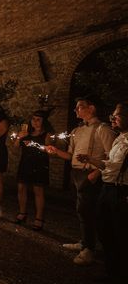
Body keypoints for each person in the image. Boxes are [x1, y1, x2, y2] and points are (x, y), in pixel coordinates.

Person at [45, 95, 116, 265]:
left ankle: (90, 250)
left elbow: (113, 158)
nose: (76, 109)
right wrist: (55, 151)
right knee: (81, 210)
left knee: (89, 211)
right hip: (76, 174)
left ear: (91, 108)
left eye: (80, 106)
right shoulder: (76, 131)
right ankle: (84, 242)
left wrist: (97, 172)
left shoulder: (103, 129)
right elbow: (71, 156)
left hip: (90, 176)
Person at [77, 101, 128, 284]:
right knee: (106, 231)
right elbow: (110, 164)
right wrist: (92, 160)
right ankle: (111, 271)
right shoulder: (120, 139)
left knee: (121, 234)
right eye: (112, 115)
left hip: (121, 191)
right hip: (108, 188)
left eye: (118, 115)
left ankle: (122, 281)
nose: (113, 118)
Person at [14, 110, 54, 230]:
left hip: (39, 164)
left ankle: (39, 218)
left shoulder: (47, 135)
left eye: (38, 120)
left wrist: (33, 144)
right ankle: (22, 213)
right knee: (21, 188)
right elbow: (16, 146)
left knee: (38, 190)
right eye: (33, 119)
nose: (35, 122)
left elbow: (48, 150)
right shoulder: (26, 133)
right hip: (25, 163)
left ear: (43, 122)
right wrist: (19, 137)